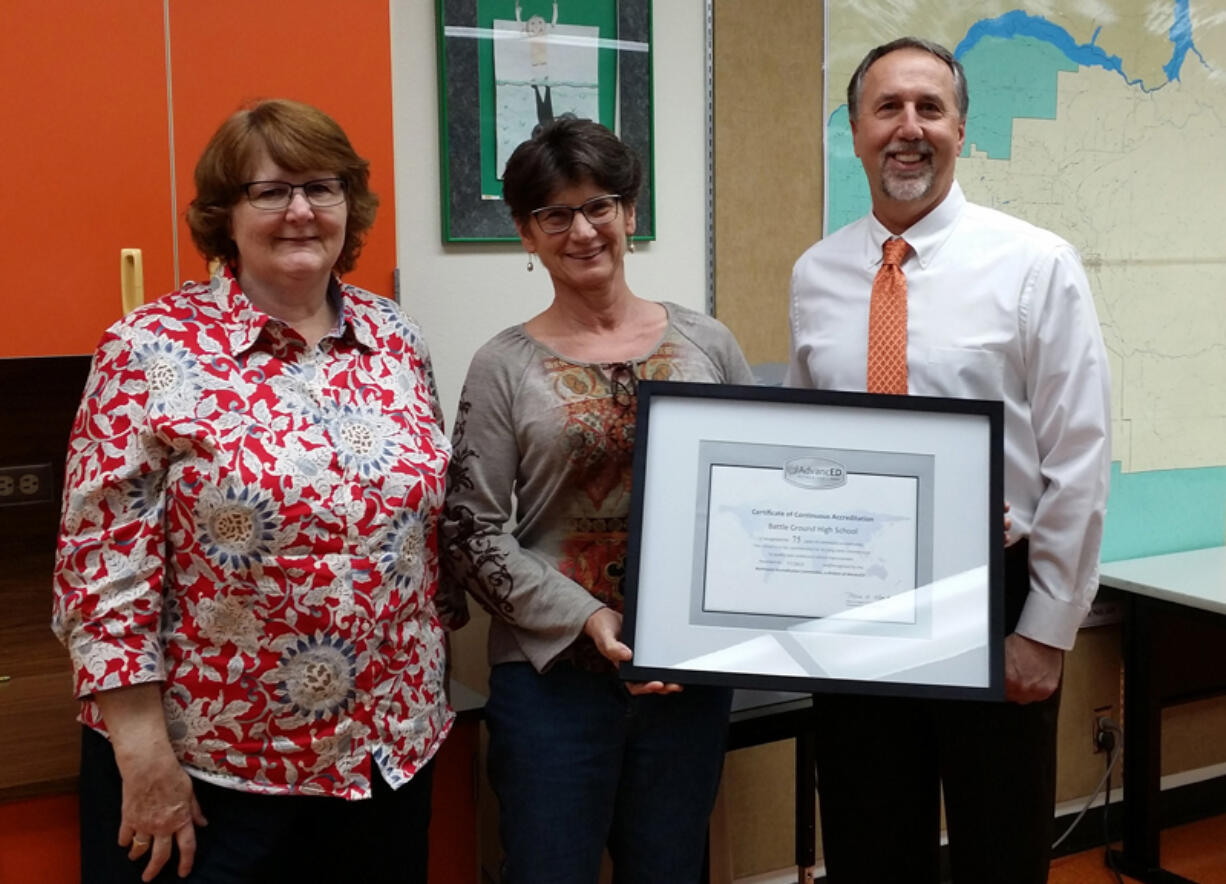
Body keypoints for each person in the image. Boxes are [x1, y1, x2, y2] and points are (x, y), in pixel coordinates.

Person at [52, 99, 463, 884]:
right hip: (214, 775)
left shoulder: (395, 338)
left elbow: (424, 530)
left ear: (351, 204)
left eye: (323, 187)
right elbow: (101, 570)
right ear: (224, 215)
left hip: (386, 759)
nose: (301, 211)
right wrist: (144, 761)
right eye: (270, 192)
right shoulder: (147, 349)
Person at [786, 38, 1111, 884]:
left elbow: (1081, 457)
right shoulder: (816, 275)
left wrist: (1045, 631)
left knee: (998, 851)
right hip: (854, 600)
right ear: (853, 130)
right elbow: (802, 446)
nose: (909, 127)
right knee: (867, 845)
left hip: (990, 595)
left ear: (960, 129)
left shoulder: (1036, 266)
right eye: (887, 107)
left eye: (930, 108)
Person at [441, 116, 754, 883]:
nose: (582, 230)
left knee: (670, 869)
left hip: (685, 677)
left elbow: (756, 489)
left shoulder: (706, 341)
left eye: (600, 206)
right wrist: (587, 615)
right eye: (555, 214)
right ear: (526, 232)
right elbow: (471, 531)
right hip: (553, 684)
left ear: (630, 214)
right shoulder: (501, 366)